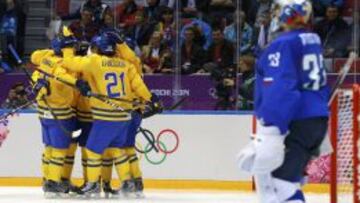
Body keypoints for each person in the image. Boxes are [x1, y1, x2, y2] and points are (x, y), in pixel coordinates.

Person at [237, 1, 329, 203]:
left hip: (295, 120)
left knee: (280, 184)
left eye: (278, 10)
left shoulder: (283, 44)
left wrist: (271, 128)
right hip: (316, 119)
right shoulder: (312, 40)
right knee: (283, 183)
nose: (274, 15)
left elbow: (281, 88)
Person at [60, 33, 161, 197]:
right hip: (124, 116)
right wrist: (150, 99)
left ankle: (92, 185)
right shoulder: (125, 64)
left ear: (98, 48)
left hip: (106, 117)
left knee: (92, 150)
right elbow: (138, 85)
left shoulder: (95, 61)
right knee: (117, 149)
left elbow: (69, 63)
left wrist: (66, 48)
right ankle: (127, 183)